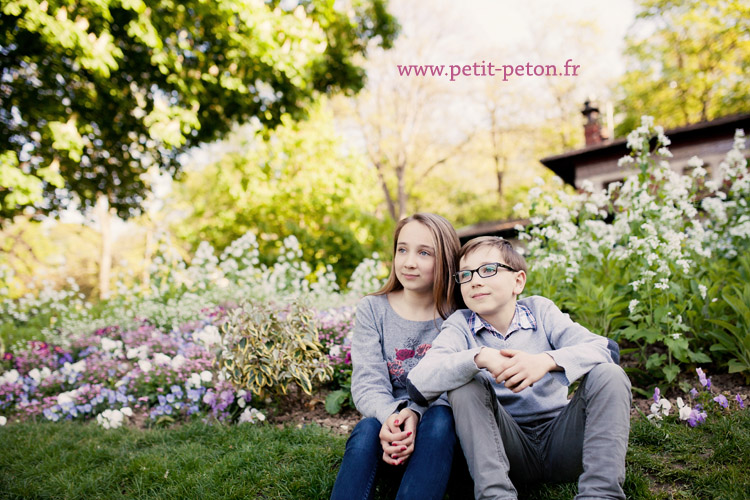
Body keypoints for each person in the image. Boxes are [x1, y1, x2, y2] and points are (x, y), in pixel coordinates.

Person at [407, 236, 631, 500]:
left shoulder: (542, 311)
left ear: (518, 281)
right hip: (505, 449)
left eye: (488, 270)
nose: (475, 280)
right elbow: (418, 382)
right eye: (465, 275)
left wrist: (546, 361)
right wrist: (479, 357)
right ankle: (496, 496)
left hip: (563, 441)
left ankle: (601, 495)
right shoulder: (459, 325)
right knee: (464, 384)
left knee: (609, 373)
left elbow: (606, 350)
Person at [330, 213, 464, 500]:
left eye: (424, 252)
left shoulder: (458, 316)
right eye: (402, 249)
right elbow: (367, 384)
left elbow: (455, 388)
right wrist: (393, 418)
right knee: (367, 427)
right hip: (386, 432)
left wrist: (415, 414)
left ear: (447, 260)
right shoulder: (373, 309)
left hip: (438, 440)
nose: (409, 261)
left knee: (441, 417)